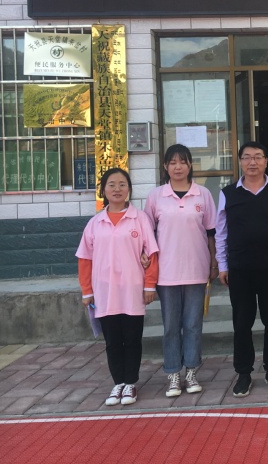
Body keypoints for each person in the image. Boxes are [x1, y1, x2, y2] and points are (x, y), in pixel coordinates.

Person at [217, 141, 268, 397]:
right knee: (242, 323)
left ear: (266, 161)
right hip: (240, 268)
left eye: (258, 157)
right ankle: (243, 373)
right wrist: (222, 265)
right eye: (247, 157)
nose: (253, 162)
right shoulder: (228, 193)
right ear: (240, 161)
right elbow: (221, 233)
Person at [77, 168, 159, 407]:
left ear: (129, 190)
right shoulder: (95, 223)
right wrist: (87, 291)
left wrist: (149, 285)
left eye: (122, 184)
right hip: (105, 292)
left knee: (132, 339)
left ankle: (130, 383)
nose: (117, 189)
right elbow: (84, 259)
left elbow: (152, 253)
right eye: (111, 184)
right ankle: (118, 383)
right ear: (103, 190)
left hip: (133, 290)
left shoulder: (139, 218)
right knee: (112, 341)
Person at [144, 144, 217, 398]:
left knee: (193, 325)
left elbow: (211, 232)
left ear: (190, 165)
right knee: (171, 327)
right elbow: (148, 236)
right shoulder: (156, 197)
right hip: (166, 273)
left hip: (197, 269)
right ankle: (173, 373)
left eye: (183, 162)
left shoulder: (203, 194)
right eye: (173, 162)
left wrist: (214, 263)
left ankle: (191, 372)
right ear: (165, 166)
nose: (178, 167)